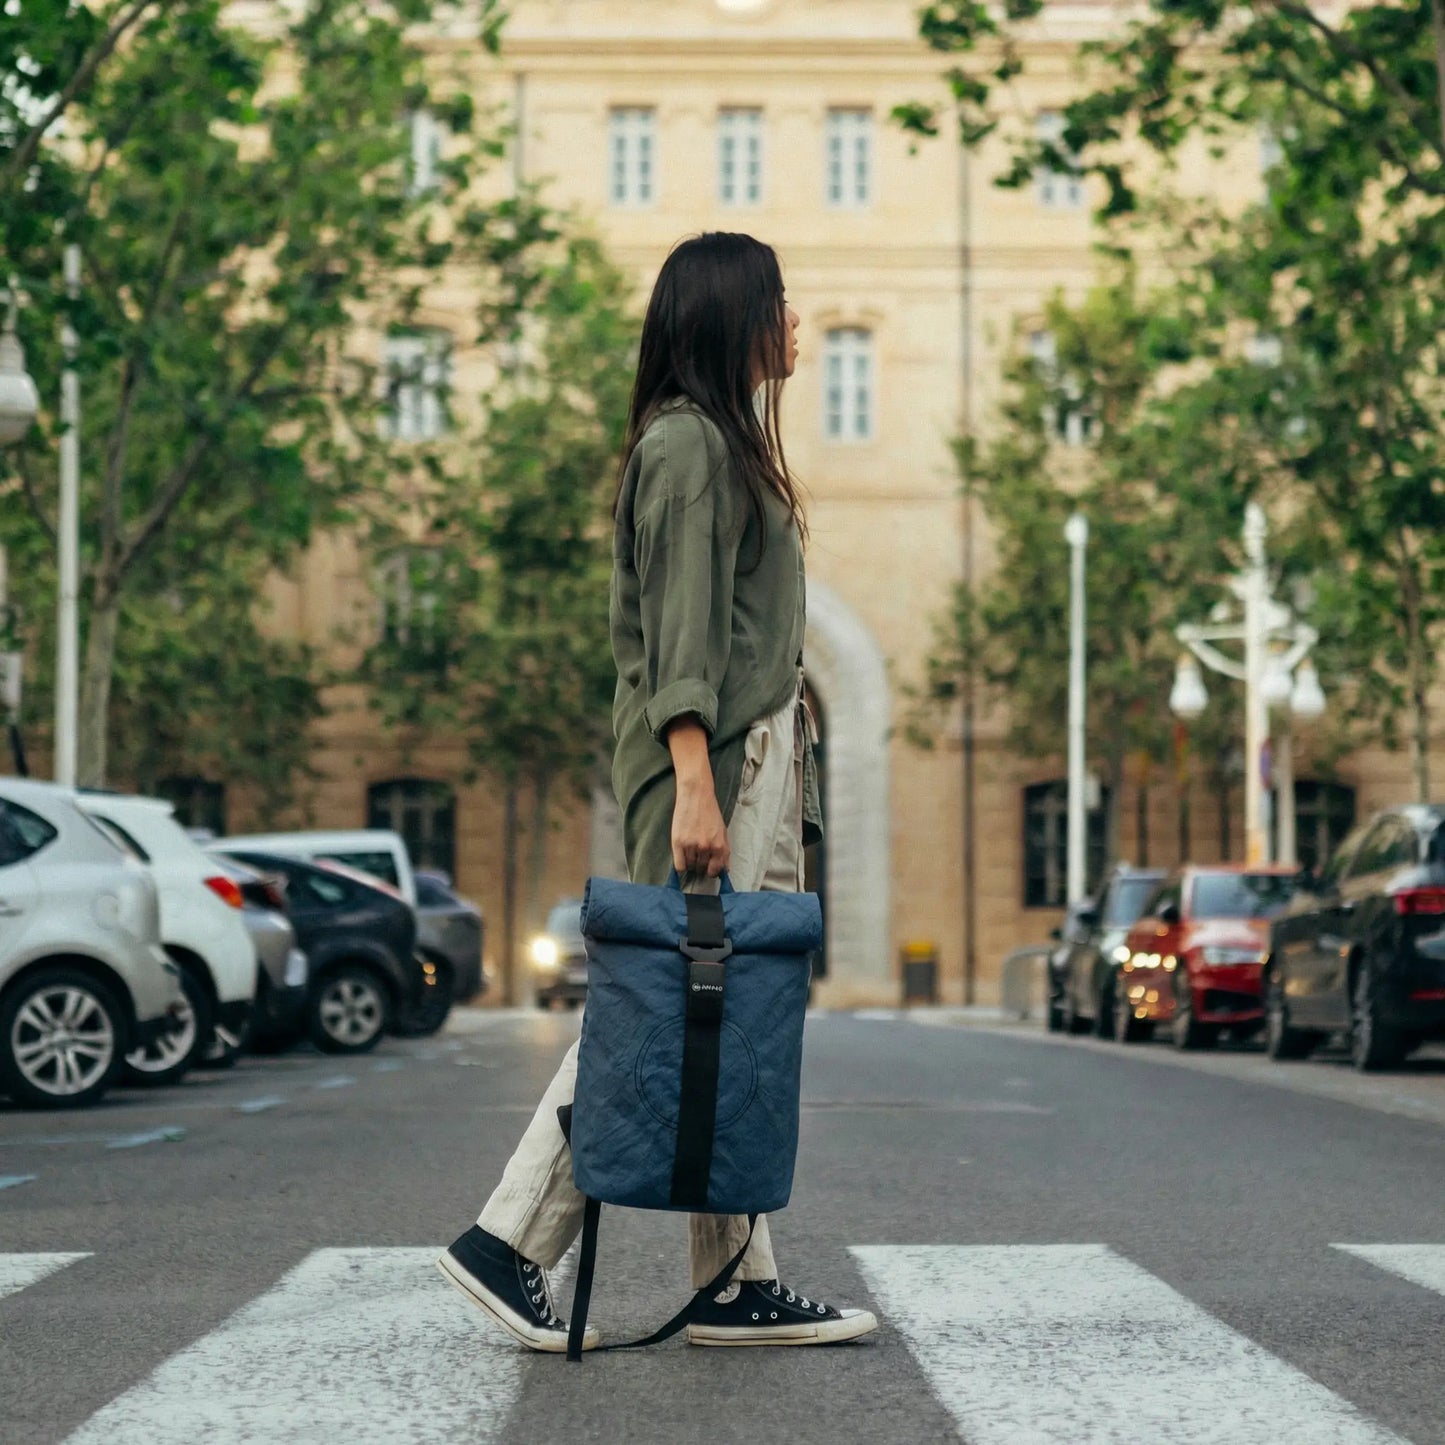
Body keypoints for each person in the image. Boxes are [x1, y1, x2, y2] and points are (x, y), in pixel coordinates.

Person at [437, 232, 879, 1352]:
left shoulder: (719, 445)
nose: (795, 323)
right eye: (779, 304)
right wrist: (695, 785)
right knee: (657, 1014)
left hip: (746, 761)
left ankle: (731, 1275)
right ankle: (507, 1239)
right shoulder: (688, 447)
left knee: (714, 1018)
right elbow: (680, 639)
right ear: (732, 315)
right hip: (713, 764)